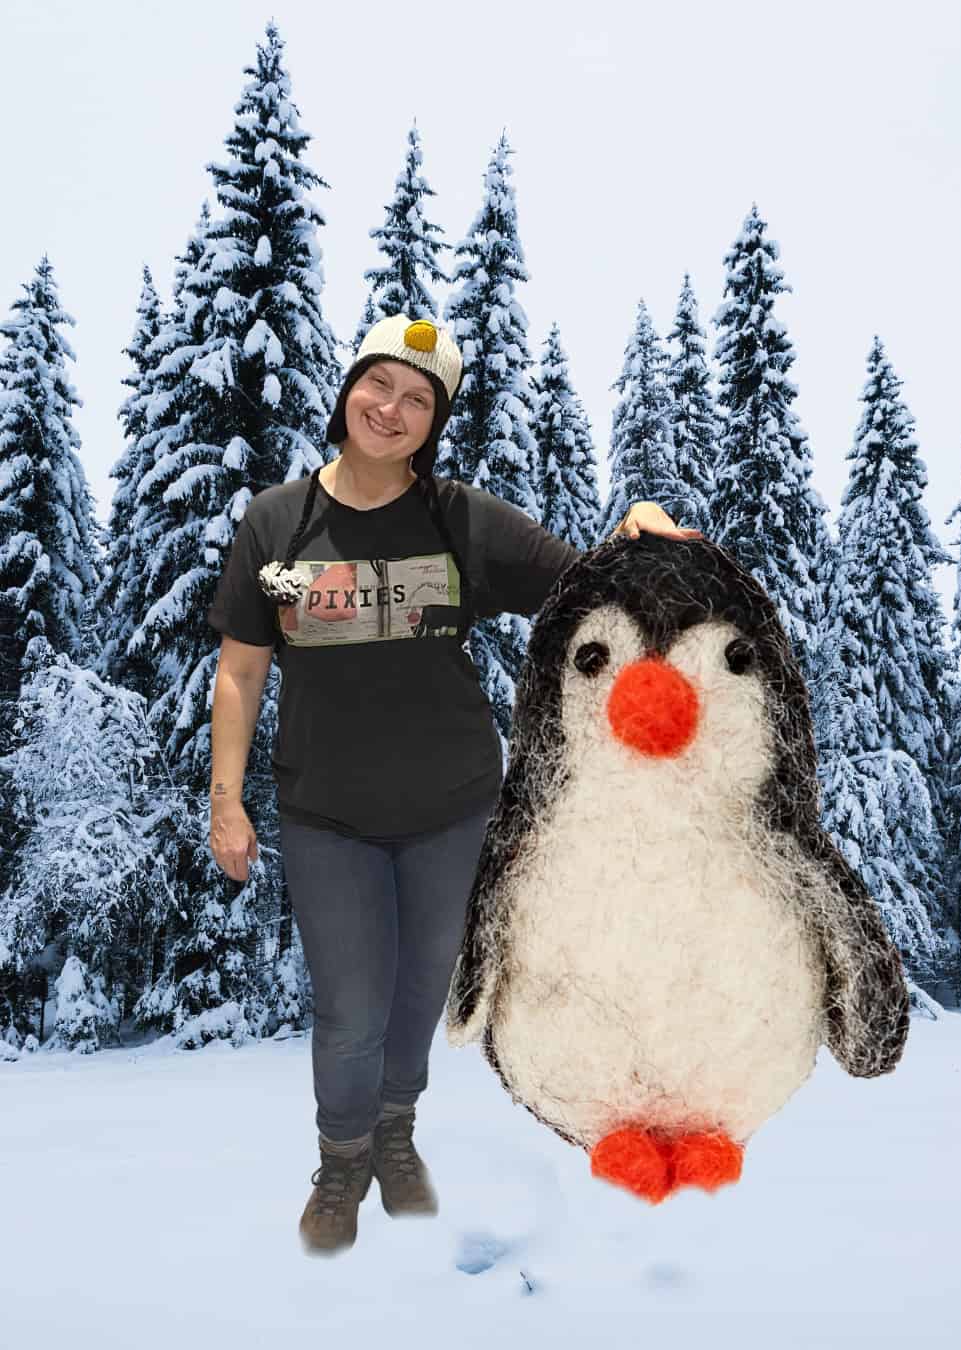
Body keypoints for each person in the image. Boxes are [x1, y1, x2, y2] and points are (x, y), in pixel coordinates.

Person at [206, 313, 703, 1256]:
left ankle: (396, 1134)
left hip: (452, 813)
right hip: (327, 816)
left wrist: (636, 531)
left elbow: (584, 582)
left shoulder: (459, 522)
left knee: (419, 992)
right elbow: (240, 669)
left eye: (417, 399)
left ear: (435, 422)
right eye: (379, 386)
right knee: (350, 1004)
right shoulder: (279, 524)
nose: (390, 409)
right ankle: (342, 1162)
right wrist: (226, 799)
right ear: (349, 388)